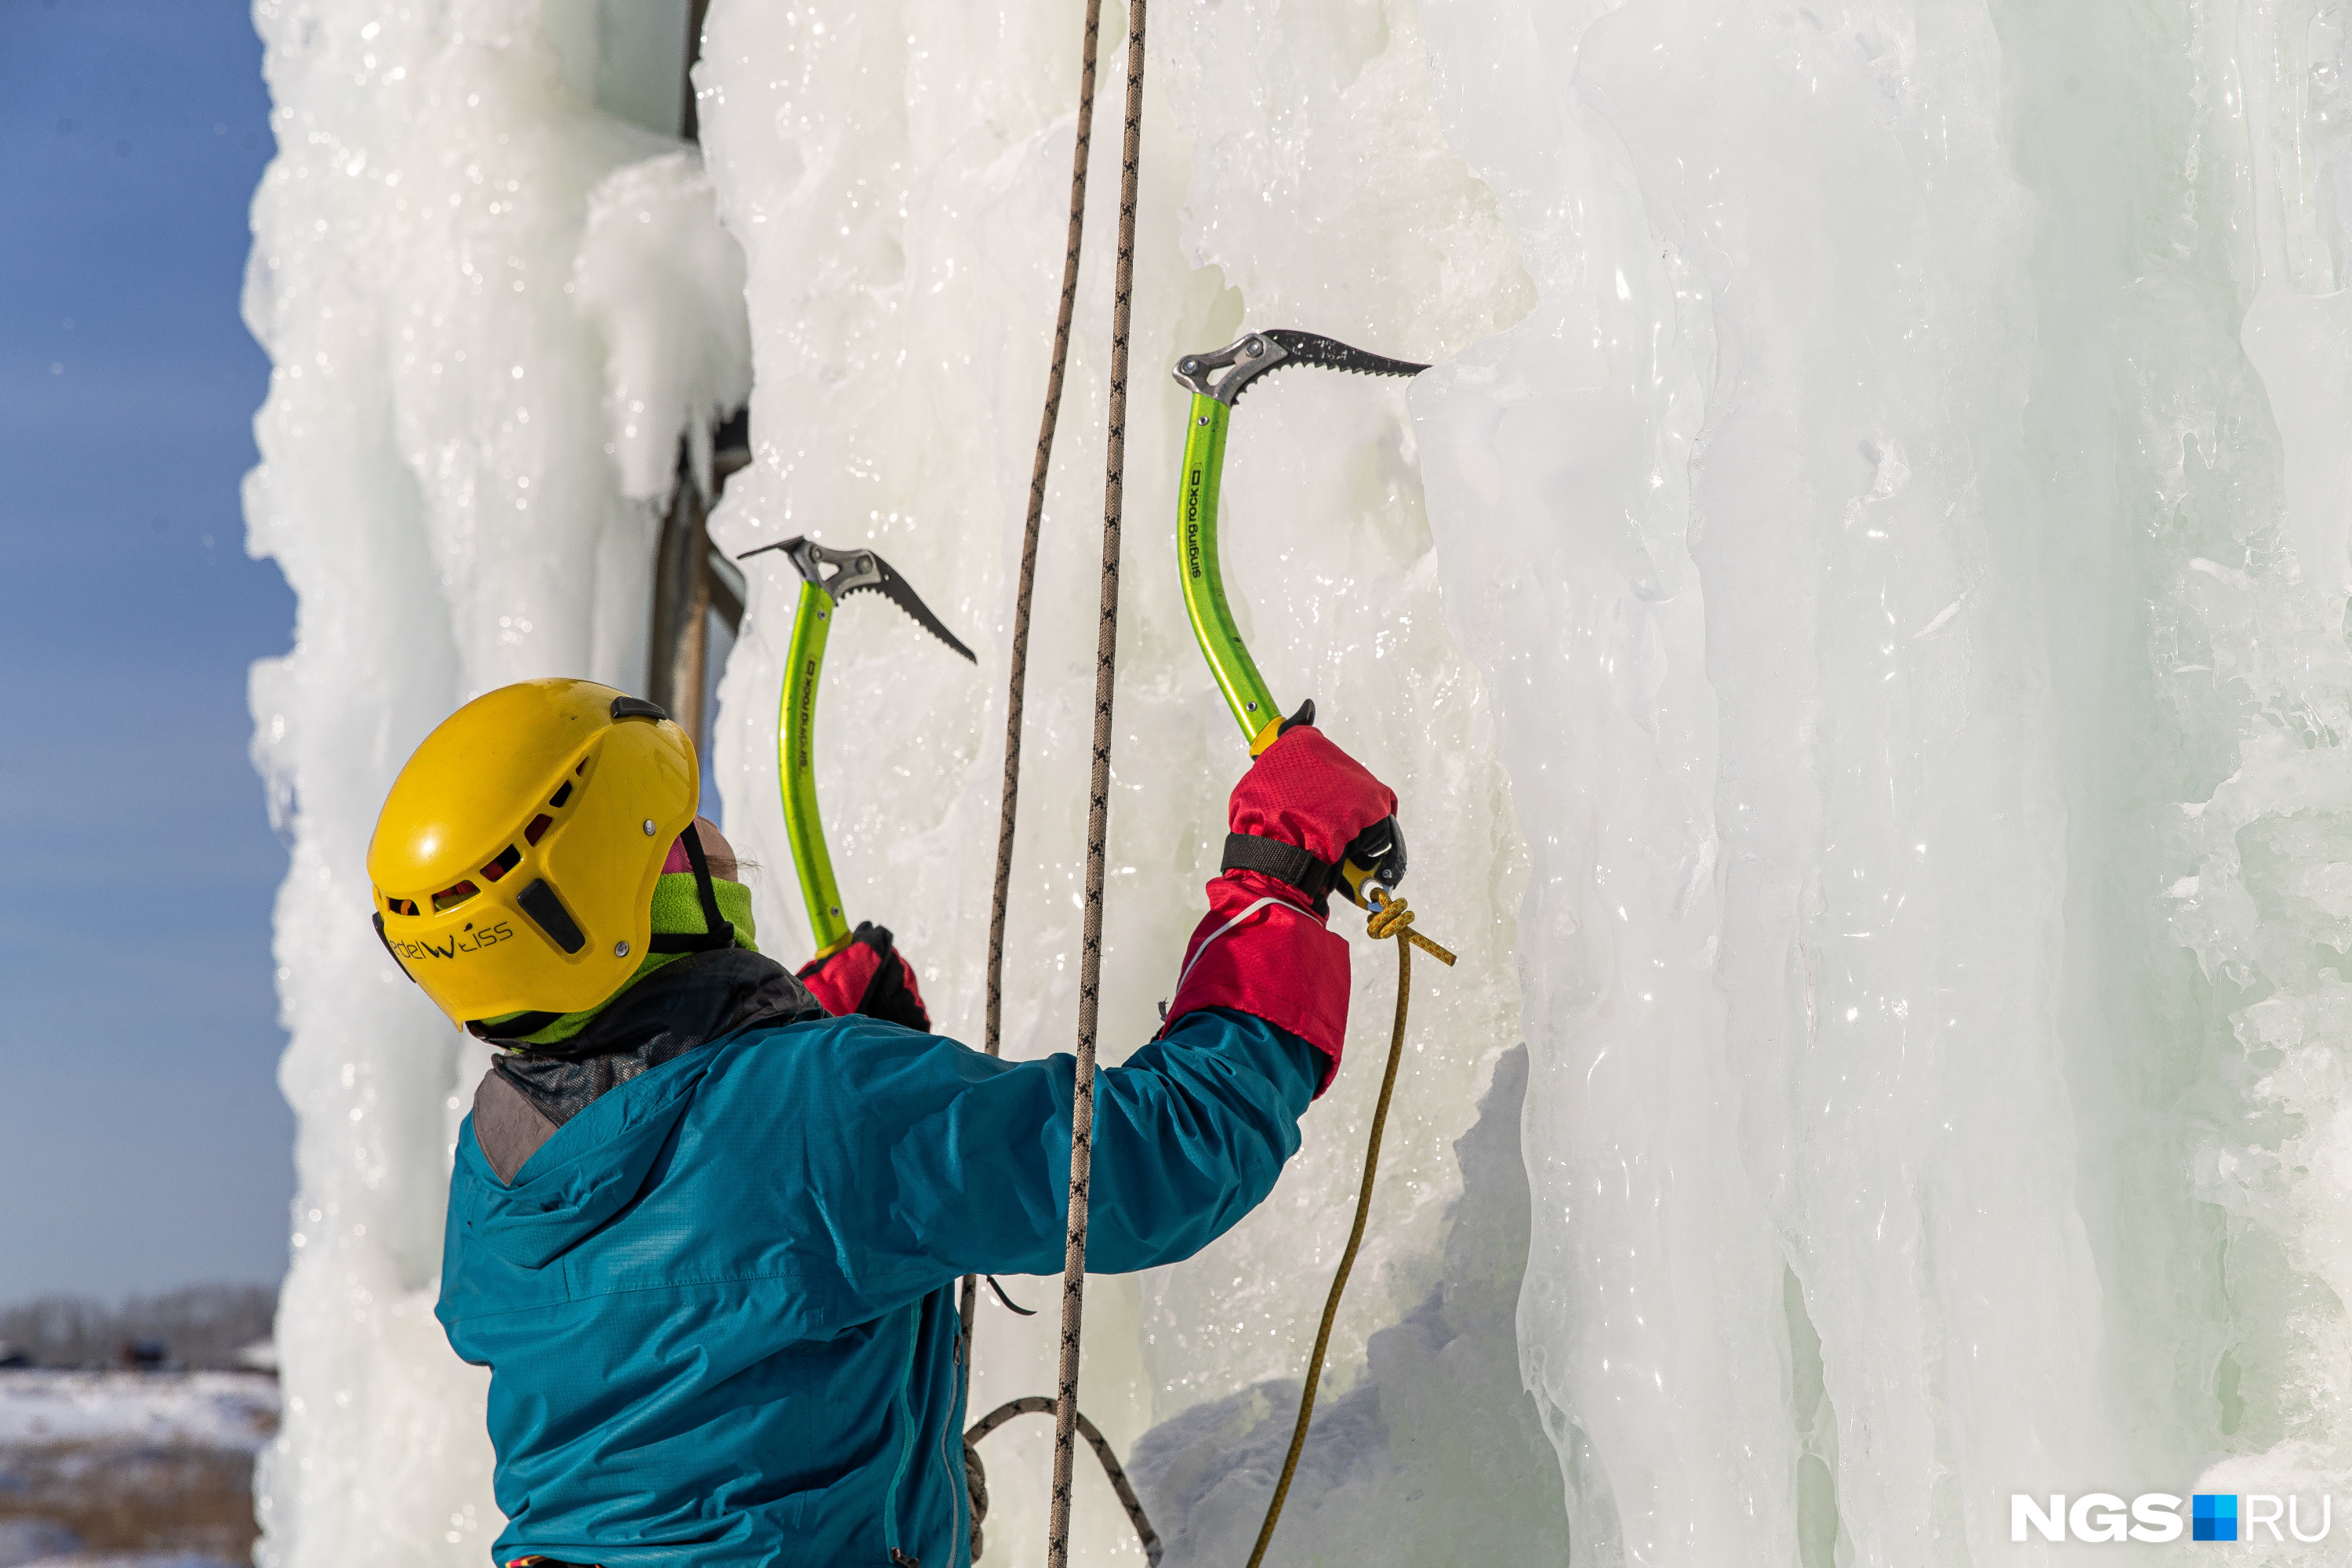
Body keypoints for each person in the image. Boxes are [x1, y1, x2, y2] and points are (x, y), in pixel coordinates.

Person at [367, 677, 1395, 1568]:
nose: (721, 843)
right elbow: (1164, 1154)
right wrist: (1280, 891)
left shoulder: (496, 1168)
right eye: (687, 826)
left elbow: (696, 1281)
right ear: (652, 889)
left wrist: (776, 1033)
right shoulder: (824, 1108)